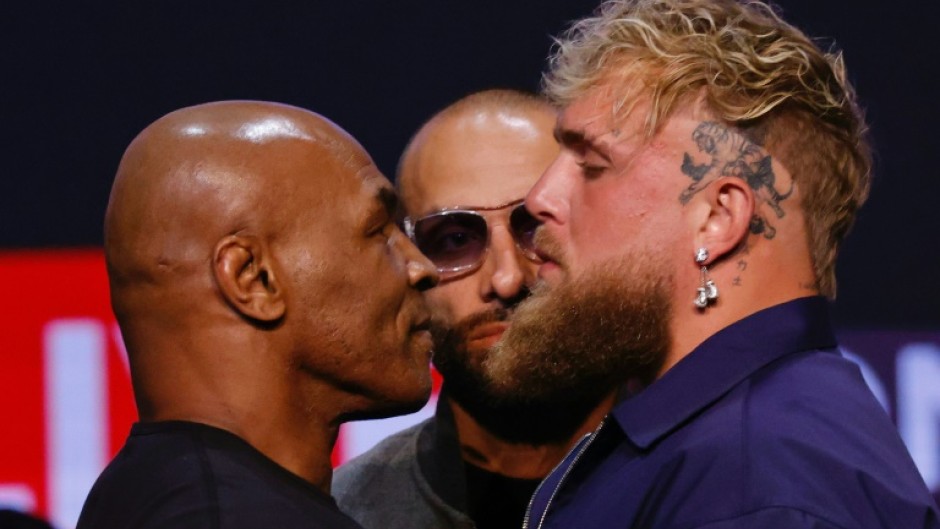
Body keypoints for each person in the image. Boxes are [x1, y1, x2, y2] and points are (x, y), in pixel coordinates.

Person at [482, 1, 940, 528]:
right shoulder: (734, 449)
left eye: (591, 164)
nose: (539, 197)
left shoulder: (758, 486)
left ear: (718, 218)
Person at [76, 100, 439, 529]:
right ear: (254, 279)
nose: (422, 267)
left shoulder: (158, 498)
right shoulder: (231, 517)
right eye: (378, 230)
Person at [333, 90, 617, 529]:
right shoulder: (342, 516)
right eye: (455, 240)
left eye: (537, 227)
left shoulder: (717, 483)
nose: (507, 279)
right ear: (409, 265)